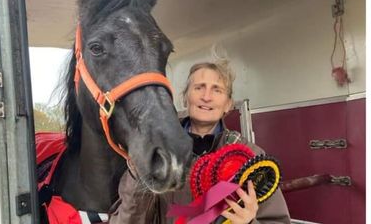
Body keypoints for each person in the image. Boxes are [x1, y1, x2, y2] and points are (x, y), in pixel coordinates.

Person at [110, 60, 291, 223]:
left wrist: (249, 223)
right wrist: (137, 177)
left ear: (228, 104)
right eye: (199, 87)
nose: (206, 96)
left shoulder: (252, 158)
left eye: (217, 90)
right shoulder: (156, 152)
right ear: (185, 98)